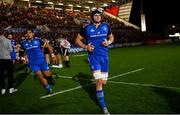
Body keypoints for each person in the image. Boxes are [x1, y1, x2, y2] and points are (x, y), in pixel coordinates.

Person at [75, 9, 114, 114]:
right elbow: (77, 40)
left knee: (103, 82)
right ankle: (103, 106)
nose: (98, 16)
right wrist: (85, 46)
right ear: (92, 17)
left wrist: (109, 42)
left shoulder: (106, 26)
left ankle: (98, 91)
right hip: (93, 58)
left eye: (99, 15)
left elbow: (111, 37)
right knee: (99, 81)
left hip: (104, 57)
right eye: (95, 15)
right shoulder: (86, 28)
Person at [20, 28, 56, 94]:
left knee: (47, 74)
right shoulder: (23, 43)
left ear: (33, 34)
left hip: (42, 61)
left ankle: (50, 78)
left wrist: (52, 55)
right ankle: (48, 88)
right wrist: (23, 58)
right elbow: (22, 51)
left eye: (30, 32)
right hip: (33, 63)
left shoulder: (38, 40)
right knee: (39, 75)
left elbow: (47, 45)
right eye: (27, 33)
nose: (28, 34)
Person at [0, 30, 18, 95]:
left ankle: (2, 89)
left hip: (0, 60)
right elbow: (10, 50)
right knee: (10, 74)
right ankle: (11, 88)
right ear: (4, 34)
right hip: (7, 59)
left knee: (1, 75)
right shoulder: (8, 41)